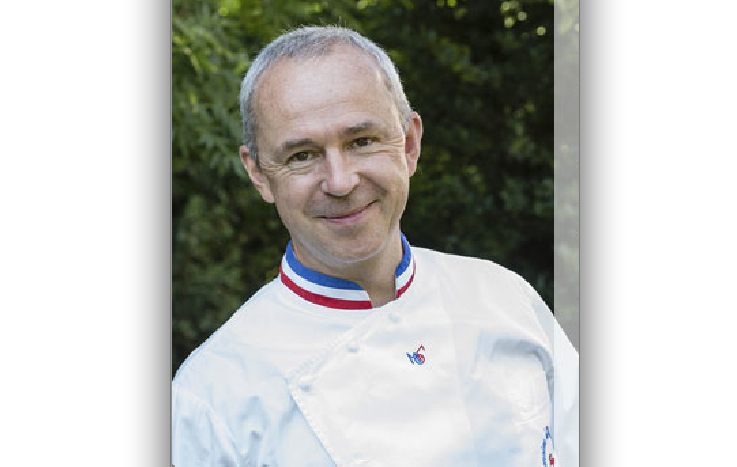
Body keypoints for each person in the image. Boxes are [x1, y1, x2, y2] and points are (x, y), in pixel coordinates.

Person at [172, 26, 578, 467]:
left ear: (409, 144)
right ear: (258, 174)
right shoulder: (210, 396)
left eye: (361, 142)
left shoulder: (504, 297)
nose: (341, 181)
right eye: (302, 155)